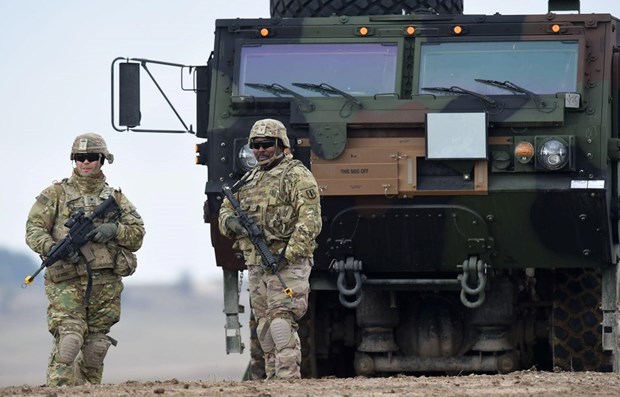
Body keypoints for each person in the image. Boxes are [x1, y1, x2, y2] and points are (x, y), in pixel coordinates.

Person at [25, 133, 145, 386]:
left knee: (96, 347)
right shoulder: (56, 194)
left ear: (103, 160)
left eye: (91, 157)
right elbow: (33, 229)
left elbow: (137, 235)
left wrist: (114, 231)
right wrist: (52, 246)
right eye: (80, 158)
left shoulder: (116, 199)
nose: (85, 163)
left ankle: (89, 390)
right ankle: (58, 390)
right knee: (69, 340)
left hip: (105, 282)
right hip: (66, 279)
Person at [219, 119, 322, 379]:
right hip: (257, 265)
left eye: (267, 144)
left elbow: (310, 221)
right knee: (264, 328)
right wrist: (233, 223)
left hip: (286, 265)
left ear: (281, 145)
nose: (260, 150)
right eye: (255, 145)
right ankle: (273, 380)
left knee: (281, 323)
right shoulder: (249, 179)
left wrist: (285, 256)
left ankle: (287, 381)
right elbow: (225, 211)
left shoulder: (296, 175)